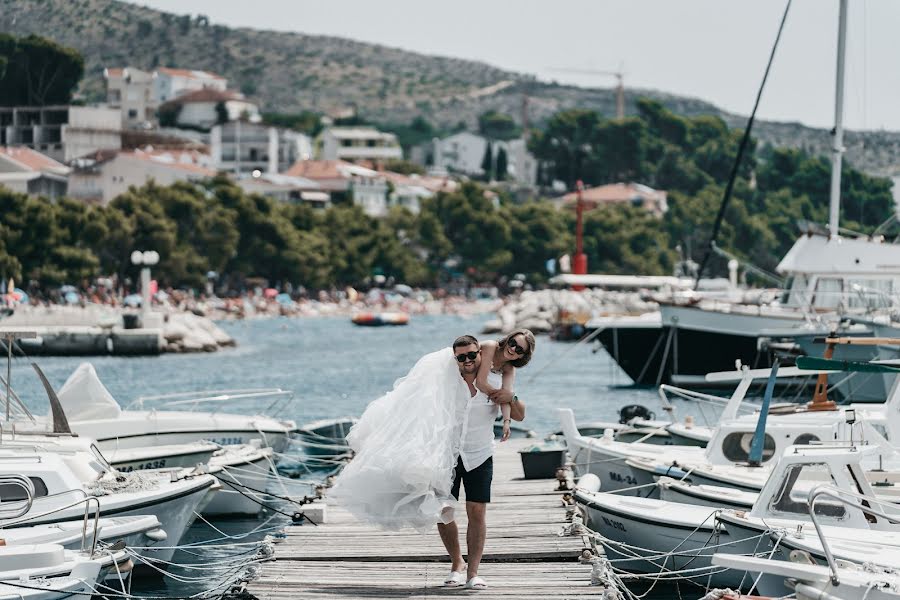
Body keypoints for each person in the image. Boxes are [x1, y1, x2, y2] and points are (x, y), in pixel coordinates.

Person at [439, 333, 530, 590]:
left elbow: (520, 415)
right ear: (455, 357)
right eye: (461, 356)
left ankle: (473, 574)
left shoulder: (497, 379)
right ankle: (457, 564)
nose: (467, 360)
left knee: (476, 512)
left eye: (471, 355)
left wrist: (510, 398)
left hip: (479, 453)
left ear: (481, 354)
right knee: (443, 510)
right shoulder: (446, 379)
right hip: (447, 453)